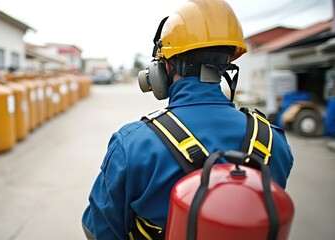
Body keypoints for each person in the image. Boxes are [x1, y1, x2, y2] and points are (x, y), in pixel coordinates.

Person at [82, 0, 294, 239]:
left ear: (165, 66)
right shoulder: (272, 141)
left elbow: (98, 229)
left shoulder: (133, 144)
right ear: (227, 64)